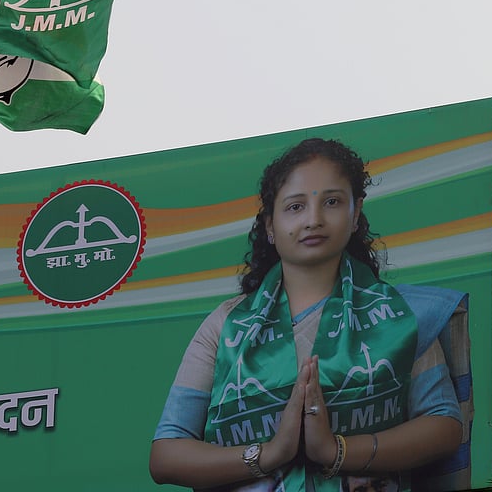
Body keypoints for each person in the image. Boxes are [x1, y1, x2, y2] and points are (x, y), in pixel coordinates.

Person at [149, 138, 467, 491]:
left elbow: (444, 425)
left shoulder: (399, 314)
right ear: (270, 225)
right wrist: (269, 454)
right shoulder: (226, 326)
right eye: (295, 207)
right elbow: (167, 454)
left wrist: (336, 451)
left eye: (331, 202)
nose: (313, 219)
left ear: (355, 212)